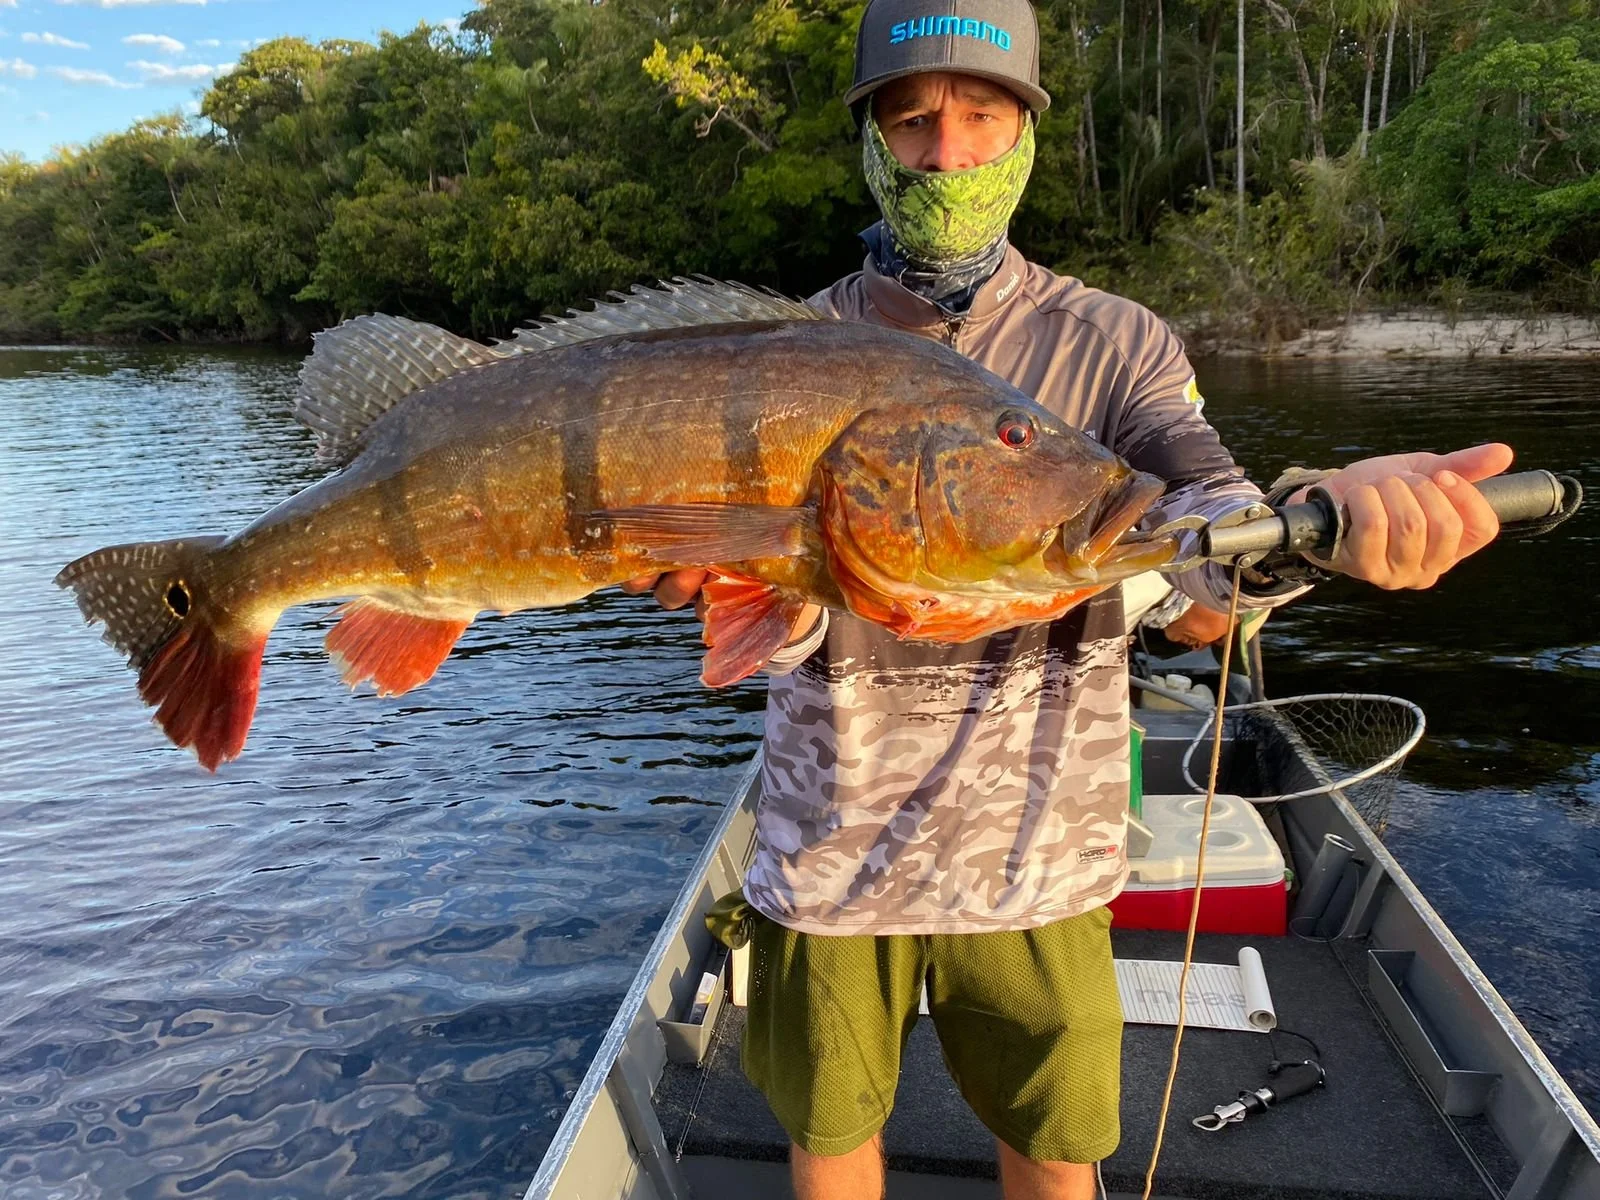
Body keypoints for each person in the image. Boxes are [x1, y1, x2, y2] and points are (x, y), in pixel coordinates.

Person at [626, 0, 1508, 1195]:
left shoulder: (1117, 344)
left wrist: (1322, 523)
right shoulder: (785, 345)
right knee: (829, 1140)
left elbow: (1202, 526)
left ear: (1026, 134)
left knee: (1056, 1150)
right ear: (871, 139)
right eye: (913, 117)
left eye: (981, 115)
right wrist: (703, 568)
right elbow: (730, 588)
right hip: (823, 854)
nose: (946, 152)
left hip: (1038, 855)